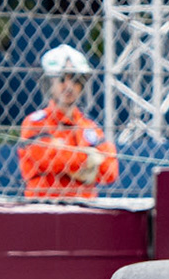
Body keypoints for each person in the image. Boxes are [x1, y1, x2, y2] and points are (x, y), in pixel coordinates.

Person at [19, 45, 119, 198]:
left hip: (85, 209)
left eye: (76, 79)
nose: (69, 86)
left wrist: (66, 154)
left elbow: (110, 172)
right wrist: (89, 158)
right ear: (49, 83)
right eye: (61, 79)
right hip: (44, 208)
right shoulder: (35, 123)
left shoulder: (89, 126)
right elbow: (49, 160)